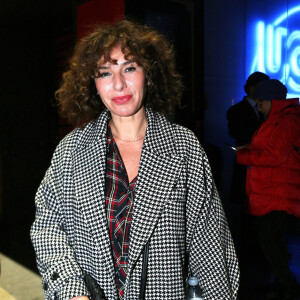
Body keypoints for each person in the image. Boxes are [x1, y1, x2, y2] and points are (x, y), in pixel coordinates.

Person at [30, 20, 239, 300]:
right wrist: (71, 289)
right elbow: (48, 227)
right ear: (93, 85)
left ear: (149, 75)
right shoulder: (71, 149)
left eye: (129, 68)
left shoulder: (183, 146)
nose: (118, 84)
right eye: (105, 73)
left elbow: (210, 242)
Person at [236, 79, 300, 299]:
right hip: (276, 190)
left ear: (273, 101)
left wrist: (244, 156)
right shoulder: (279, 119)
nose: (259, 105)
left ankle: (289, 285)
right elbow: (274, 150)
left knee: (266, 238)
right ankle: (283, 284)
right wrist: (250, 147)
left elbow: (274, 156)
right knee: (276, 239)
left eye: (261, 101)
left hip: (279, 191)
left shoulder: (284, 121)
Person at [227, 71, 270, 203]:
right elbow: (235, 132)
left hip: (260, 166)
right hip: (246, 166)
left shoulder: (266, 109)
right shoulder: (236, 110)